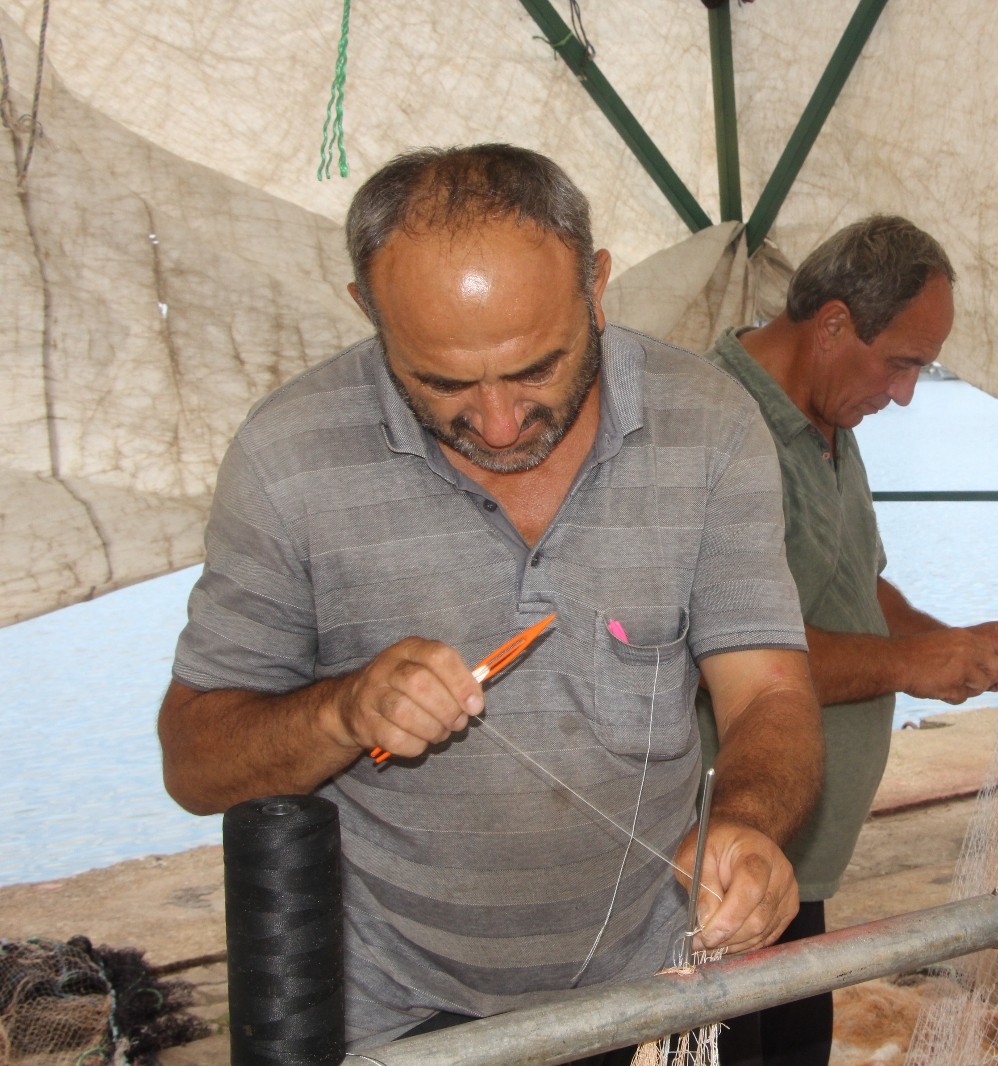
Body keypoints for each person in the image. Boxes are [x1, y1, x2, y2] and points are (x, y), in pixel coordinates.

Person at [157, 144, 824, 1056]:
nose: (501, 423)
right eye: (443, 382)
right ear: (368, 310)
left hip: (656, 988)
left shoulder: (710, 425)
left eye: (538, 369)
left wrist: (746, 826)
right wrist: (343, 710)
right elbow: (195, 762)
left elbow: (771, 696)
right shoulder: (287, 457)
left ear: (596, 287)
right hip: (394, 1019)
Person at [698, 215, 998, 1065]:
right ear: (831, 324)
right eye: (902, 363)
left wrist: (955, 643)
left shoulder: (830, 422)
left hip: (803, 872)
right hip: (723, 870)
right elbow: (723, 650)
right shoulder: (715, 427)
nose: (905, 395)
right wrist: (906, 664)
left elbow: (858, 587)